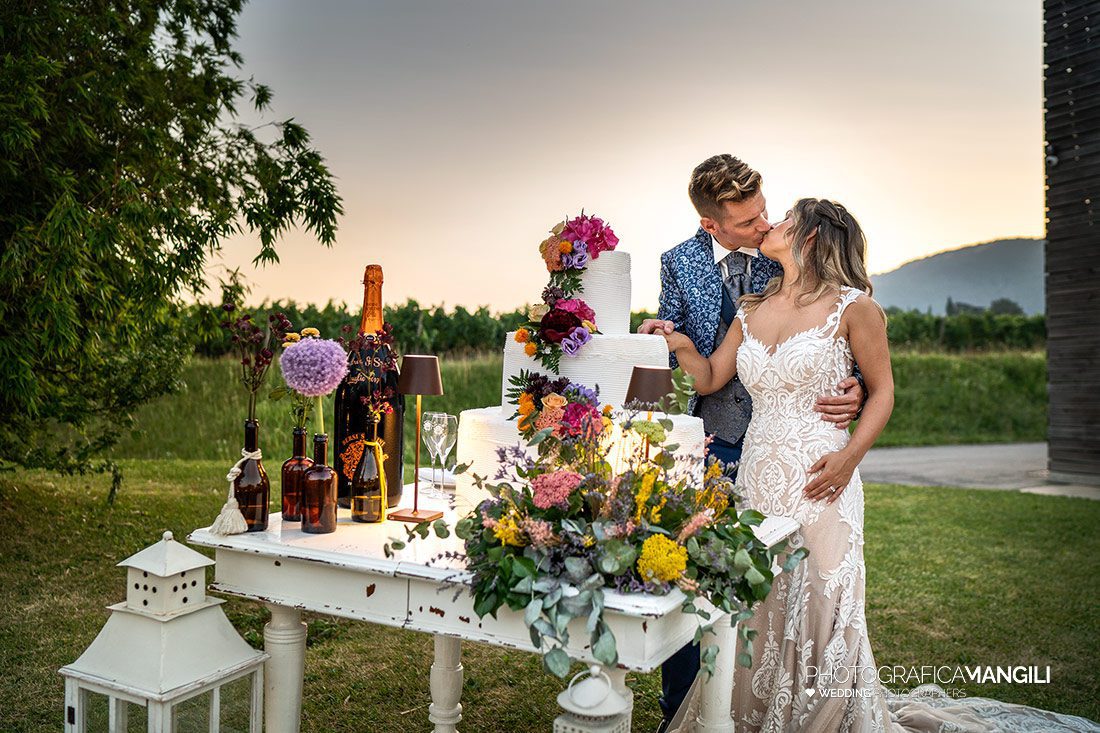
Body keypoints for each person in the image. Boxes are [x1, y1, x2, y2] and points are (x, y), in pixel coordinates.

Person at [664, 198, 1096, 733]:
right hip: (758, 478)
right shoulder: (751, 308)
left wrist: (849, 458)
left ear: (813, 237)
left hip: (822, 480)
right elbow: (709, 379)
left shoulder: (854, 308)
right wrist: (682, 343)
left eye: (784, 220)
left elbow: (885, 391)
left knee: (822, 609)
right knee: (760, 606)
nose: (770, 225)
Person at [639, 154, 865, 730]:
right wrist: (668, 338)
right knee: (720, 583)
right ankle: (692, 708)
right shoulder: (685, 267)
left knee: (811, 592)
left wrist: (854, 393)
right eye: (749, 222)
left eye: (768, 213)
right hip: (721, 448)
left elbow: (839, 346)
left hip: (804, 454)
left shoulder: (815, 278)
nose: (763, 226)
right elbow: (703, 370)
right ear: (712, 225)